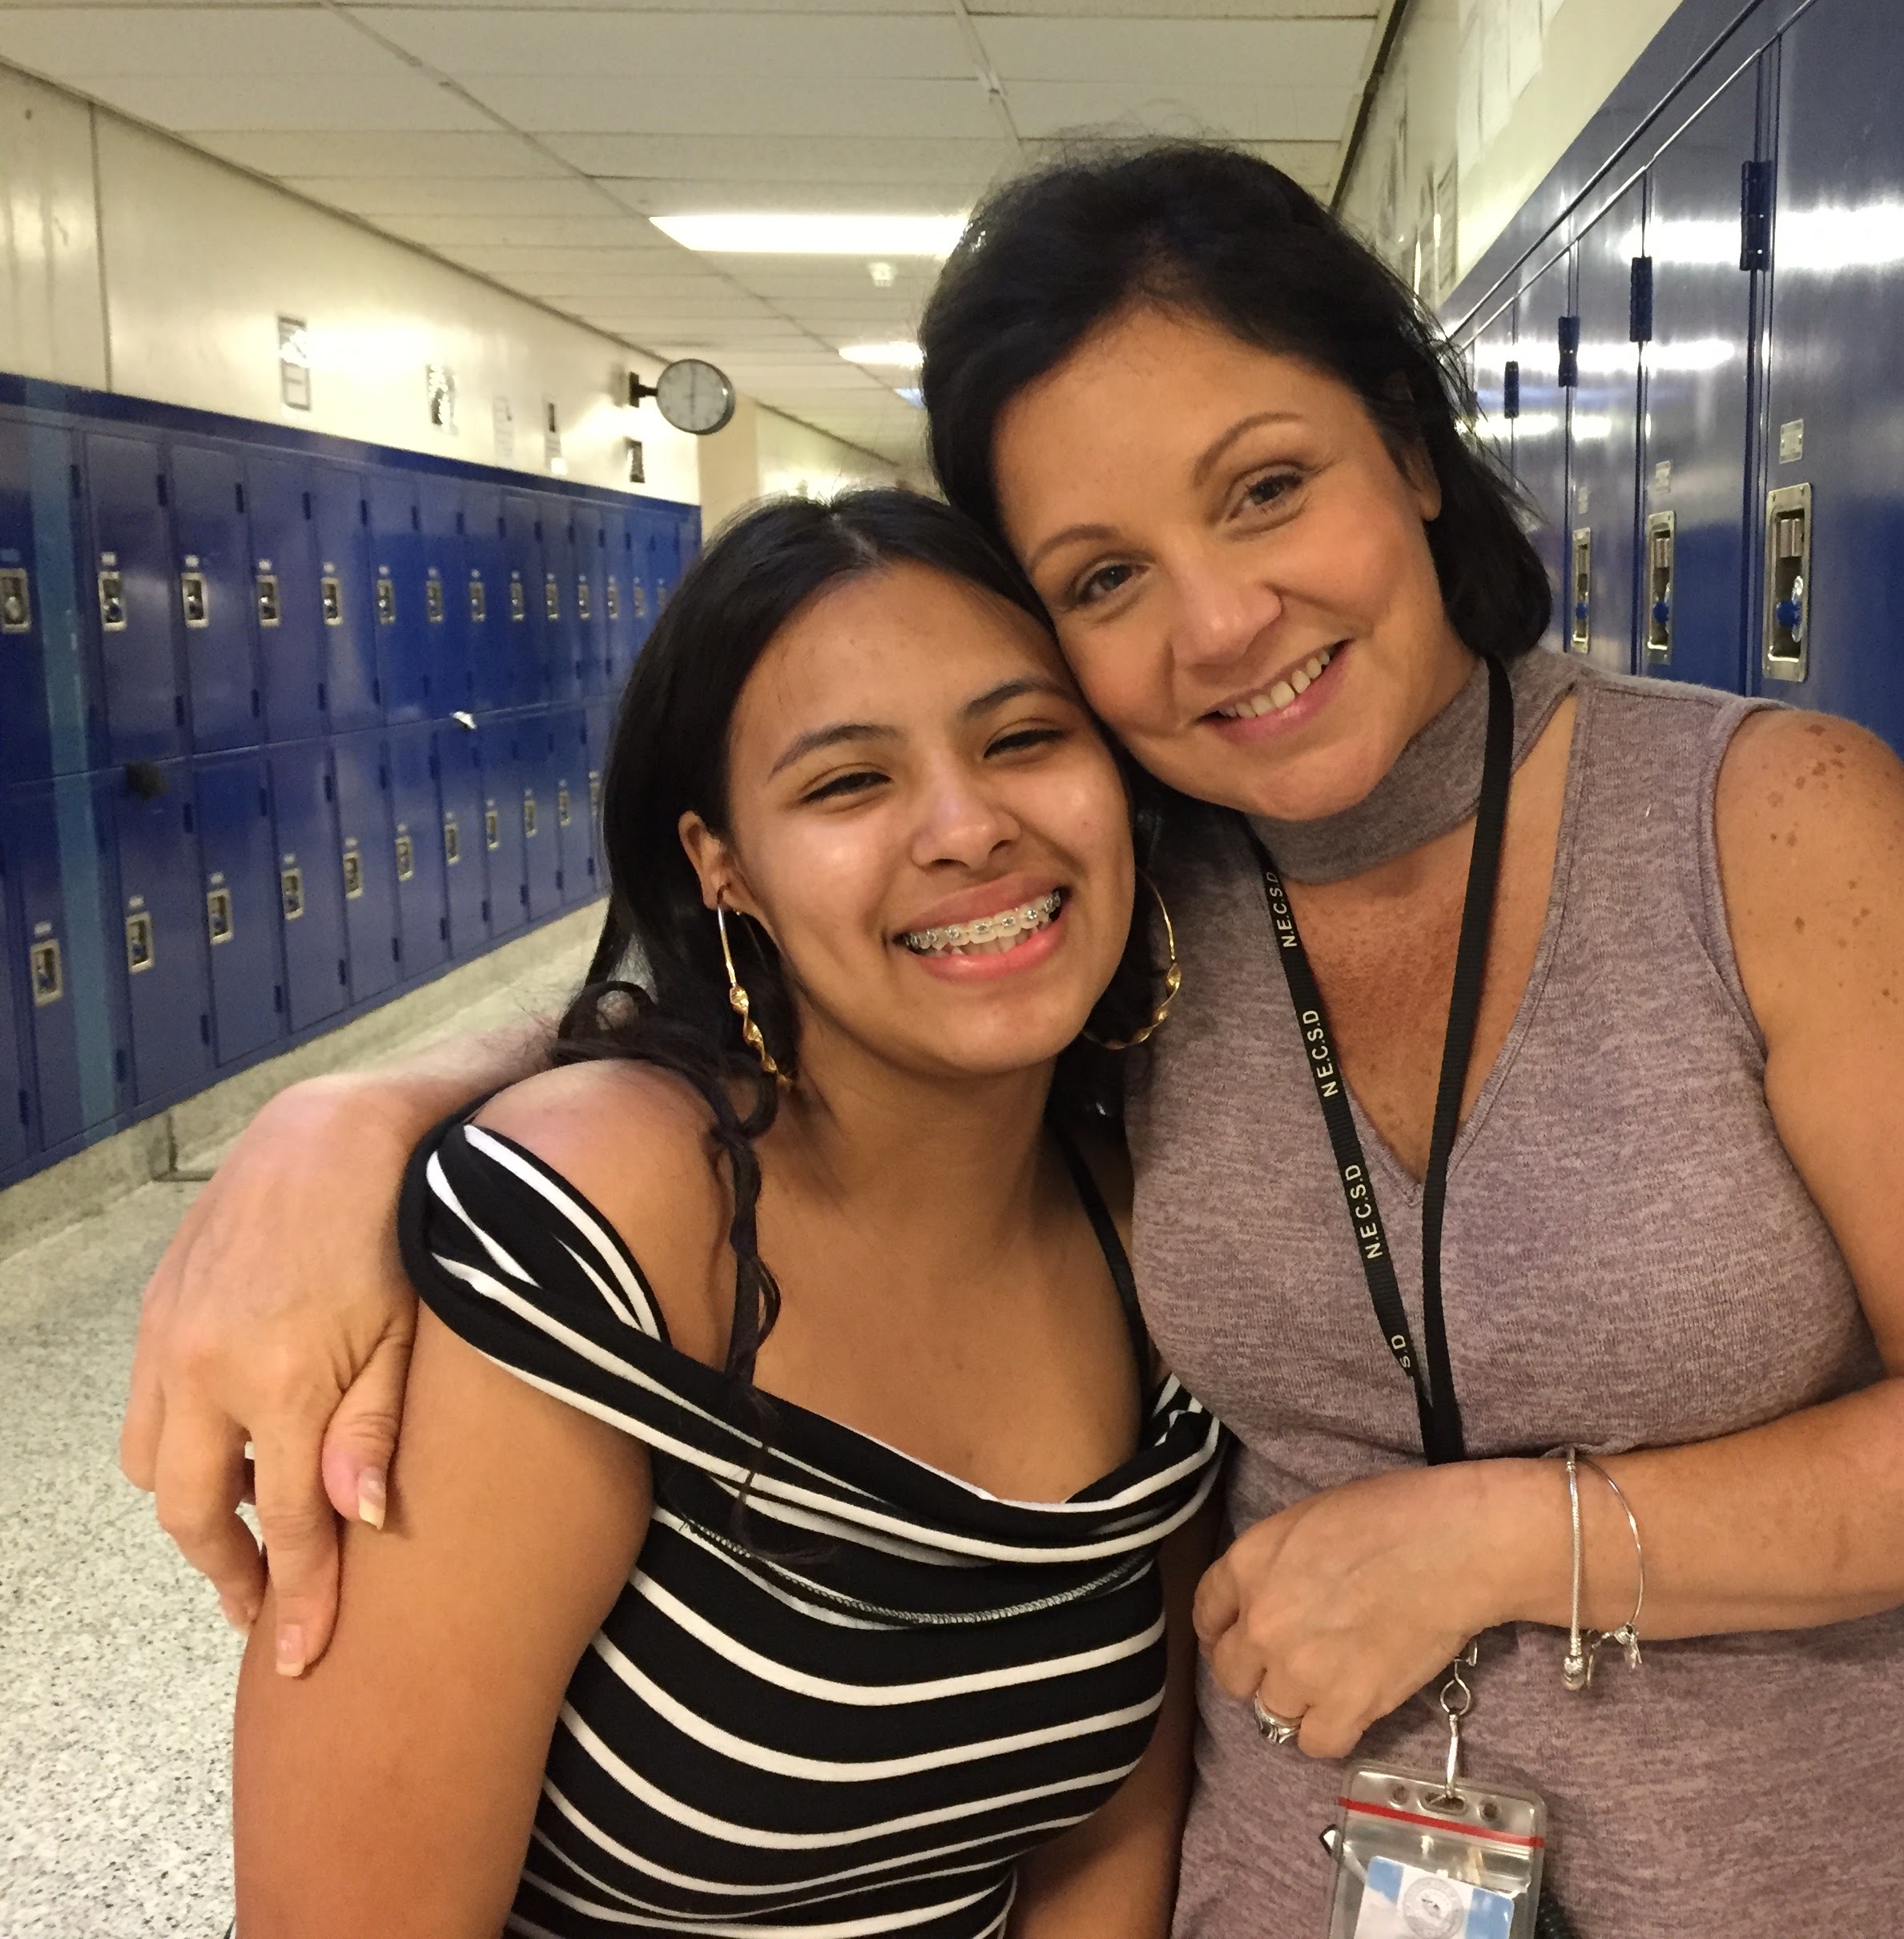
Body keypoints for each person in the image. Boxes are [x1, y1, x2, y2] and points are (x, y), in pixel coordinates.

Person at [128, 144, 1904, 1938]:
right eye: (1105, 577)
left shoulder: (1770, 828)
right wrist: (356, 1113)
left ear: (1411, 444)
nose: (1219, 628)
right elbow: (819, 983)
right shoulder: (1145, 893)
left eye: (1267, 488)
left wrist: (1504, 1540)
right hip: (1279, 1885)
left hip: (1766, 1885)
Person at [227, 488, 1222, 1937]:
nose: (966, 828)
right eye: (847, 785)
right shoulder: (585, 1243)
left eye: (1023, 739)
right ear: (722, 865)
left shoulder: (1154, 1219)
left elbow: (1114, 1830)